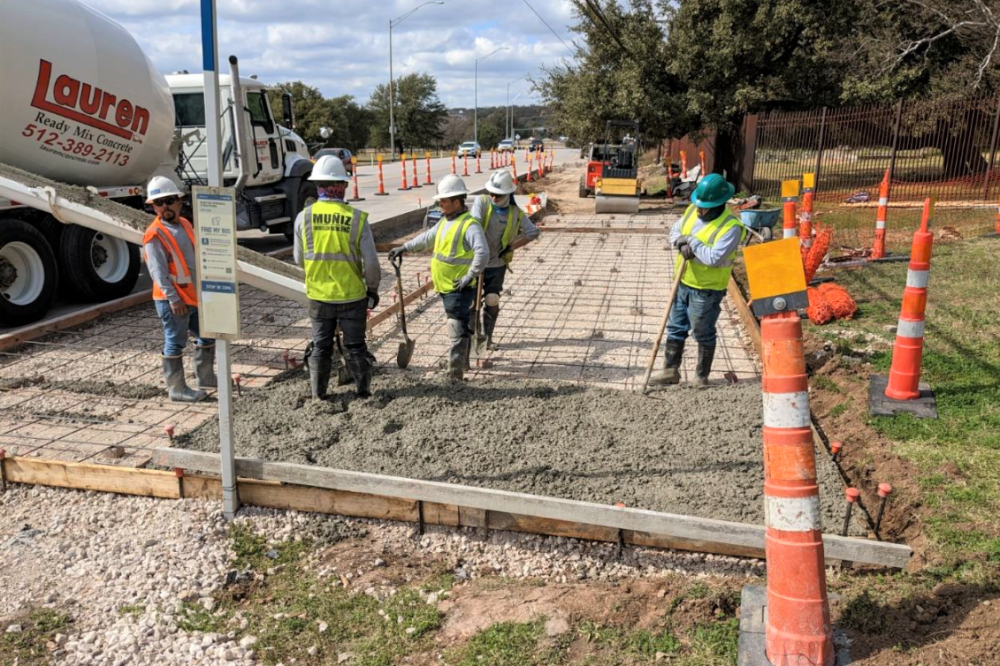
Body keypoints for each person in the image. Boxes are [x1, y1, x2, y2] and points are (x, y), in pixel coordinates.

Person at [293, 155, 381, 399]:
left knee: (320, 346)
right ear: (342, 186)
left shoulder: (304, 218)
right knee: (355, 347)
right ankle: (363, 393)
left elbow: (299, 259)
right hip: (352, 296)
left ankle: (318, 395)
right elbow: (372, 263)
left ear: (318, 186)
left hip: (319, 296)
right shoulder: (357, 219)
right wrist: (371, 289)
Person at [388, 175, 488, 380]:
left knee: (456, 329)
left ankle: (454, 374)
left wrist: (469, 276)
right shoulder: (446, 221)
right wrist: (404, 247)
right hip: (447, 287)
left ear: (456, 201)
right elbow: (426, 238)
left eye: (443, 200)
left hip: (458, 287)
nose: (439, 204)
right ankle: (460, 363)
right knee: (460, 326)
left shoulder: (469, 225)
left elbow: (483, 252)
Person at [651, 173, 746, 387]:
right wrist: (680, 243)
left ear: (719, 205)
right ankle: (670, 370)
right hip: (683, 281)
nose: (700, 210)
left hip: (706, 289)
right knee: (676, 327)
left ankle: (701, 377)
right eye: (698, 205)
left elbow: (713, 258)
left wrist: (691, 242)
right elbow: (676, 231)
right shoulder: (693, 210)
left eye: (705, 207)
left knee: (702, 332)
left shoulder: (730, 227)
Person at [143, 176, 215, 402]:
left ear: (179, 201)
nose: (164, 206)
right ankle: (177, 389)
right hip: (172, 300)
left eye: (169, 200)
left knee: (207, 334)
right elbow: (158, 273)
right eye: (159, 203)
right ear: (153, 206)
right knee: (175, 341)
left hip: (193, 296)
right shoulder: (154, 235)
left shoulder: (184, 224)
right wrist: (174, 300)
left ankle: (206, 378)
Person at [469, 170, 540, 349]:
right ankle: (471, 338)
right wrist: (479, 249)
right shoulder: (482, 202)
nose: (493, 197)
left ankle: (488, 337)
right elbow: (474, 223)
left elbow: (533, 232)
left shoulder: (515, 212)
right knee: (471, 302)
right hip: (475, 263)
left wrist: (511, 247)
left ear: (508, 193)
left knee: (492, 299)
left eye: (498, 194)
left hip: (497, 265)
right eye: (492, 192)